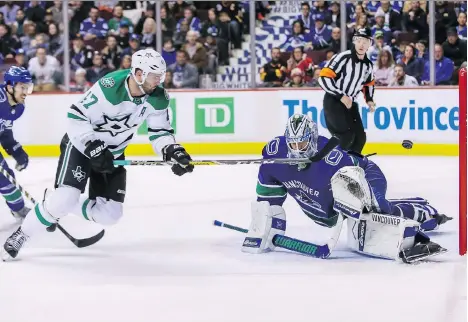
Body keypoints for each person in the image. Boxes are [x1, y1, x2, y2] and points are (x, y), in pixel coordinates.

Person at [2, 49, 195, 261]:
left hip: (112, 155)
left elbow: (160, 133)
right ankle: (23, 234)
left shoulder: (159, 98)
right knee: (64, 198)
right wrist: (93, 146)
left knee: (110, 214)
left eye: (160, 75)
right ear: (139, 74)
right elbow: (76, 116)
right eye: (154, 76)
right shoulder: (109, 87)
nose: (159, 80)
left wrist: (172, 151)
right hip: (81, 145)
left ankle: (59, 202)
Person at [242, 114, 449, 263]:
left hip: (363, 174)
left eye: (302, 144)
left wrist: (352, 209)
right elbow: (268, 200)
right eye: (293, 145)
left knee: (377, 210)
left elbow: (355, 174)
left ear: (312, 139)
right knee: (366, 216)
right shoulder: (274, 155)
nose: (297, 150)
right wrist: (265, 227)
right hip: (326, 206)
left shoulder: (333, 159)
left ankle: (425, 213)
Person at [318, 27, 376, 156]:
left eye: (365, 41)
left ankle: (350, 163)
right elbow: (324, 77)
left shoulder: (368, 65)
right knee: (345, 136)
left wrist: (370, 100)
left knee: (360, 138)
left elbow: (368, 84)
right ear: (354, 41)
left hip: (350, 104)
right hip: (333, 101)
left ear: (369, 44)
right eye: (359, 40)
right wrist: (341, 96)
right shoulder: (342, 58)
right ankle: (327, 159)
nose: (362, 44)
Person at [0, 66, 32, 220]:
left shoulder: (17, 107)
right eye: (22, 87)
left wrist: (18, 152)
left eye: (27, 87)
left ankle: (18, 209)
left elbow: (5, 134)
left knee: (5, 178)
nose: (25, 92)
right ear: (9, 86)